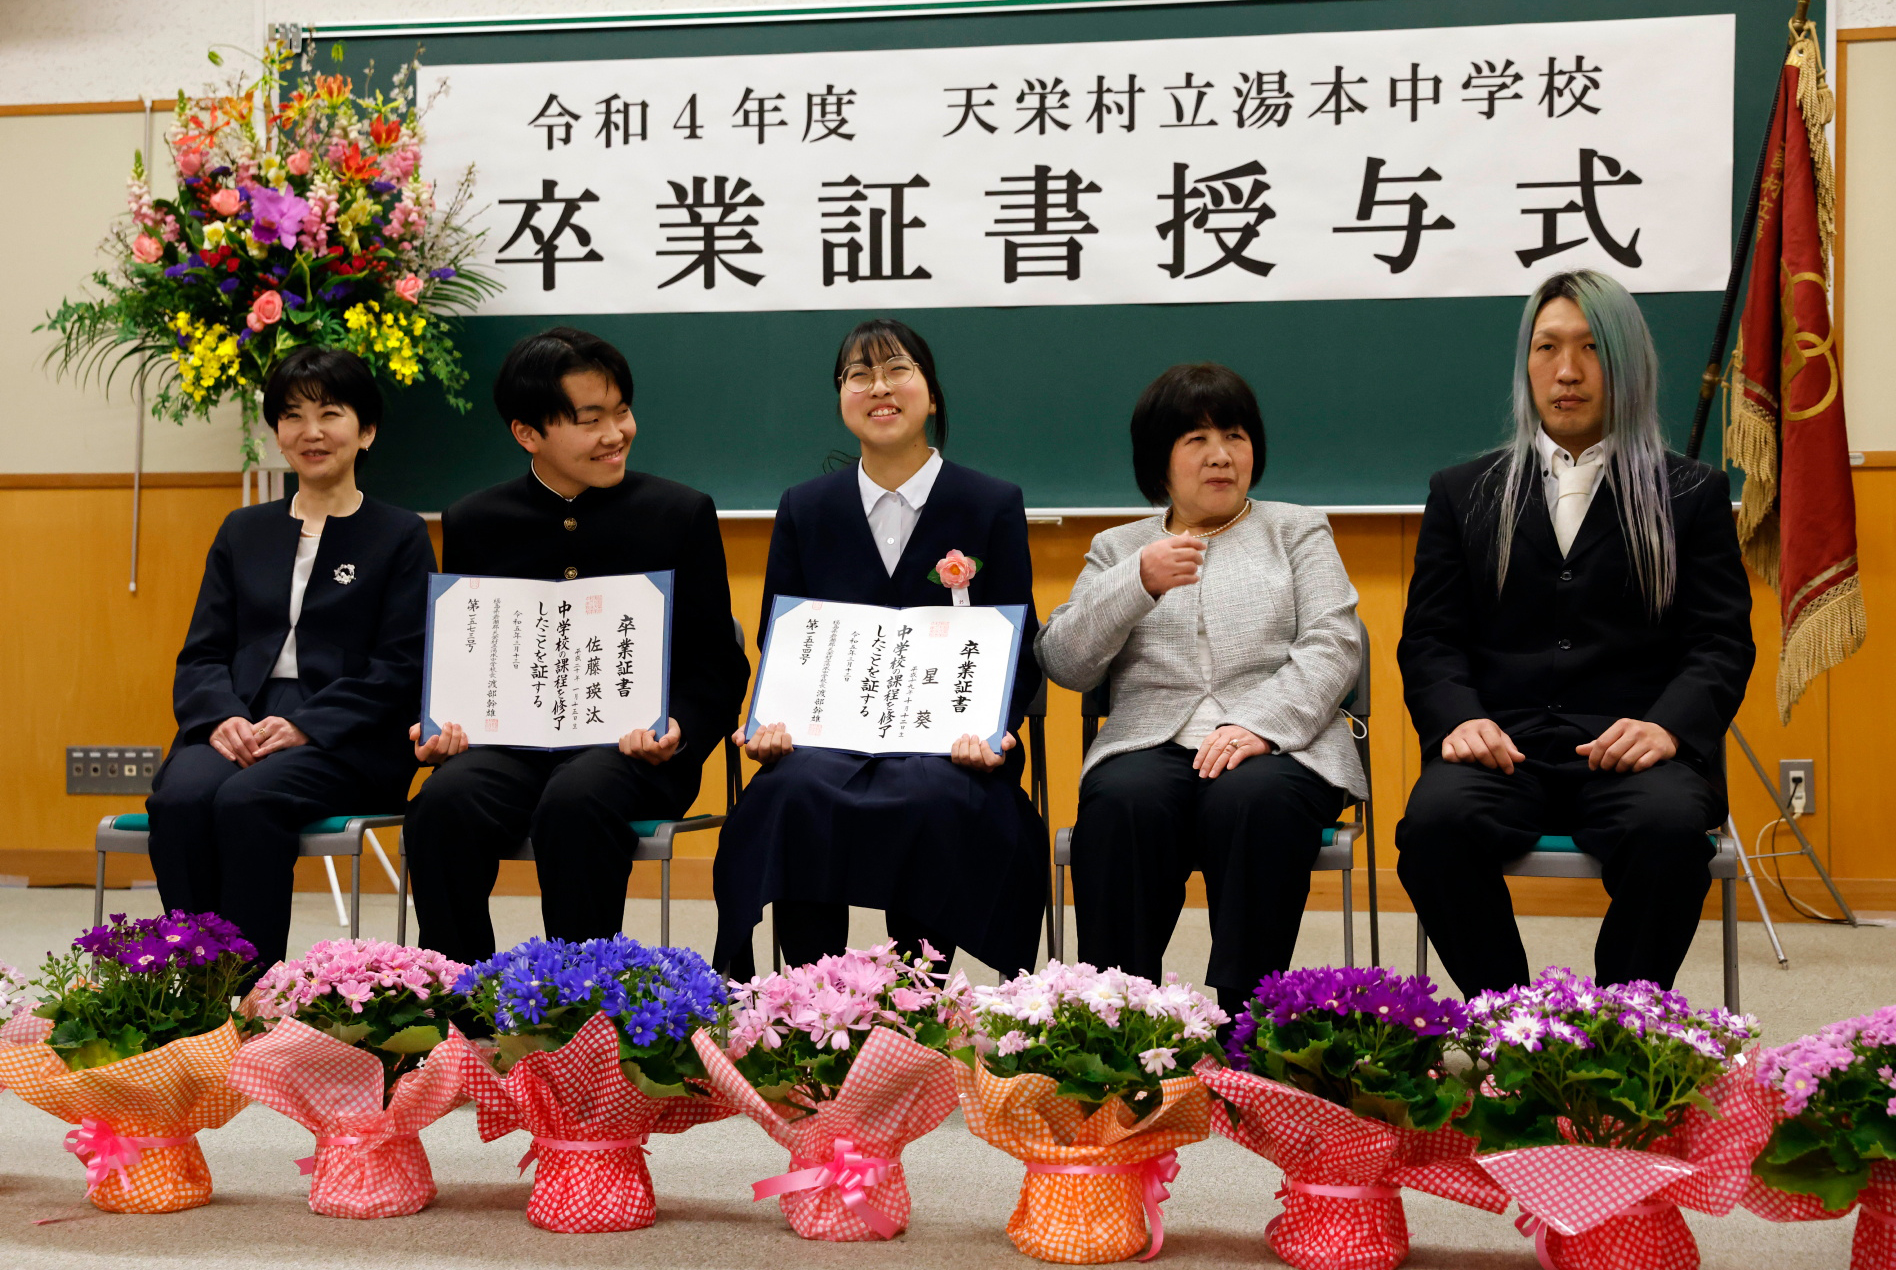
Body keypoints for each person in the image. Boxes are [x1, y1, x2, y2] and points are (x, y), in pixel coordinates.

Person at [1395, 269, 1756, 998]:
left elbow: (1720, 642)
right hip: (1503, 749)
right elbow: (1430, 640)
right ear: (1526, 364)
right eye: (1548, 348)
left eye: (1591, 348)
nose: (1567, 371)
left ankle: (1617, 1027)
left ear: (1627, 363)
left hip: (1634, 754)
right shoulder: (1465, 493)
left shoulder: (1690, 493)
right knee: (1433, 829)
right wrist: (1459, 720)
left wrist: (1667, 730)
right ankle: (1512, 1022)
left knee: (1669, 835)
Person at [710, 318, 1048, 977]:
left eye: (898, 370)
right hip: (828, 741)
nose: (879, 388)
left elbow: (1018, 641)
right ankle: (813, 1000)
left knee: (937, 798)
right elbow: (782, 637)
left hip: (948, 743)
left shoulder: (990, 504)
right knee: (793, 793)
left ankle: (915, 998)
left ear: (931, 393)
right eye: (858, 376)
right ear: (841, 398)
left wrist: (996, 731)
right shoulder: (806, 508)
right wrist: (771, 725)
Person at [404, 327, 748, 964]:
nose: (616, 434)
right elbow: (468, 649)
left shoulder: (678, 513)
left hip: (633, 750)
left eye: (621, 412)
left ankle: (578, 1005)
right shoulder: (476, 521)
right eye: (591, 420)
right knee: (444, 804)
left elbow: (717, 663)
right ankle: (458, 1005)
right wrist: (439, 725)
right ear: (527, 433)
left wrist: (680, 728)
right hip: (511, 746)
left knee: (576, 801)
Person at [1034, 363, 1364, 1017]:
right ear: (1160, 459)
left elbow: (1335, 645)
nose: (1221, 455)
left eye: (1235, 435)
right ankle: (1122, 1020)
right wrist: (1137, 583)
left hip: (1280, 744)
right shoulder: (1116, 547)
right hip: (1149, 740)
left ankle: (1246, 1015)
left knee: (1253, 796)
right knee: (1126, 799)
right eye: (1197, 440)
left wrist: (1261, 725)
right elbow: (1067, 663)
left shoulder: (1295, 529)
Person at [147, 347, 435, 974]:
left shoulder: (400, 534)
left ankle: (253, 992)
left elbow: (403, 665)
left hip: (348, 734)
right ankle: (197, 985)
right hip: (243, 718)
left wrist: (309, 723)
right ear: (276, 432)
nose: (311, 431)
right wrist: (219, 716)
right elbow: (202, 652)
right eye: (292, 415)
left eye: (330, 413)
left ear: (367, 430)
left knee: (248, 800)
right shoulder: (242, 530)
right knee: (180, 798)